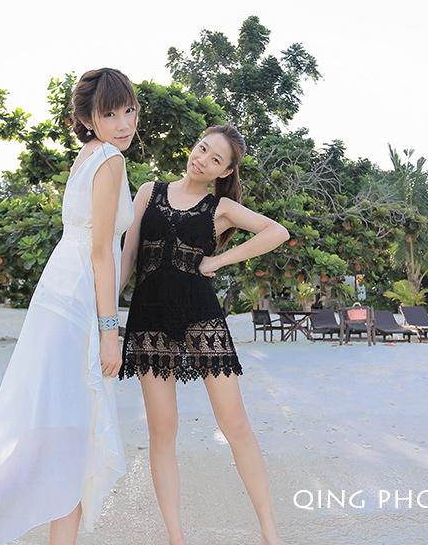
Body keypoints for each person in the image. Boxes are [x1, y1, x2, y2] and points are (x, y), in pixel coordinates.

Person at [0, 68, 138, 545]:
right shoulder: (109, 159)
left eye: (129, 110)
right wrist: (110, 330)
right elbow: (100, 252)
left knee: (62, 436)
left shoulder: (87, 157)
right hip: (78, 303)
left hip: (59, 295)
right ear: (87, 119)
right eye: (110, 114)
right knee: (65, 436)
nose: (124, 124)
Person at [119, 125, 288, 545]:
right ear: (193, 145)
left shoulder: (222, 207)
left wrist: (217, 261)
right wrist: (103, 315)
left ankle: (269, 532)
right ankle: (176, 537)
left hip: (201, 318)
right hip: (149, 319)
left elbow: (276, 232)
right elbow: (129, 257)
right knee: (163, 431)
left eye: (216, 160)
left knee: (236, 424)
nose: (202, 160)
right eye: (202, 149)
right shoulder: (149, 191)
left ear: (224, 171)